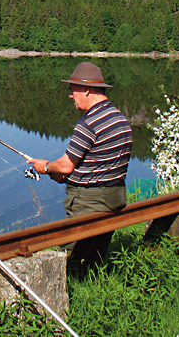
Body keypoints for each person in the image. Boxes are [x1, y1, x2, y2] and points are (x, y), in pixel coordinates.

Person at [27, 61, 132, 272]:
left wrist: (46, 167)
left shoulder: (89, 122)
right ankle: (93, 282)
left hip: (89, 202)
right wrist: (65, 175)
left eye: (72, 89)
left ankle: (70, 289)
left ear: (86, 89)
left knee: (69, 258)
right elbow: (101, 163)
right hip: (115, 197)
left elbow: (66, 165)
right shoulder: (119, 118)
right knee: (95, 256)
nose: (70, 95)